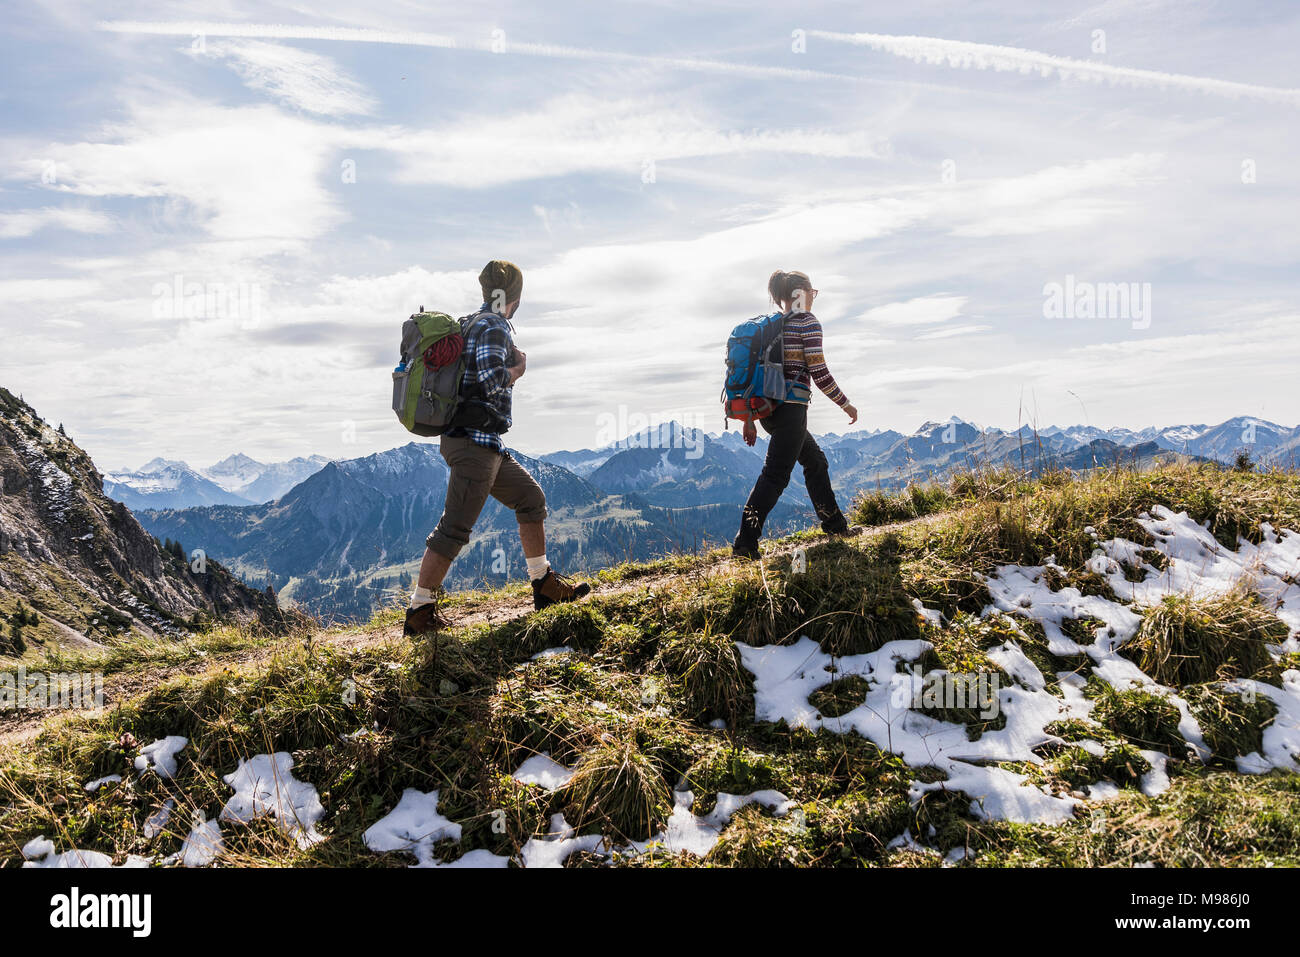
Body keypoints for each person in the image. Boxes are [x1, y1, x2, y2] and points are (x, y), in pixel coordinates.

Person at [404, 260, 592, 635]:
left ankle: (543, 586)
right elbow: (491, 379)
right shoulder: (493, 325)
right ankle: (419, 614)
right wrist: (518, 370)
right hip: (474, 444)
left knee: (530, 498)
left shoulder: (471, 321)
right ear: (515, 298)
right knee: (454, 529)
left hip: (481, 443)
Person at [733, 269, 861, 559]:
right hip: (791, 410)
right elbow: (819, 371)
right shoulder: (807, 322)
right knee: (776, 476)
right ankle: (745, 542)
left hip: (768, 411)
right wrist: (845, 403)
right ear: (799, 293)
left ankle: (835, 525)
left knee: (815, 461)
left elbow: (757, 374)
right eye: (812, 292)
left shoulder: (774, 326)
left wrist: (751, 418)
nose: (813, 298)